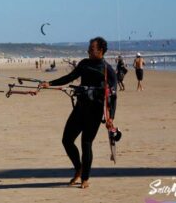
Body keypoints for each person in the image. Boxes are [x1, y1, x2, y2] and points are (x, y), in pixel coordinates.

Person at [38, 37, 117, 189]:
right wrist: (50, 83)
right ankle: (78, 168)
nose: (88, 50)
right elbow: (70, 77)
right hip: (80, 109)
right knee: (66, 140)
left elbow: (113, 97)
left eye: (91, 48)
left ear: (100, 51)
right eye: (89, 47)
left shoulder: (108, 70)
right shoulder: (84, 64)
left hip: (95, 112)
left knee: (86, 144)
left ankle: (85, 178)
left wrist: (111, 117)